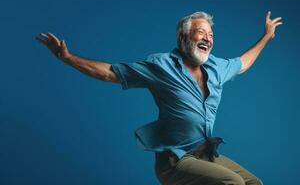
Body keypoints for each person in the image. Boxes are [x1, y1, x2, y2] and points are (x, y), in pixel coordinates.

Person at [35, 11, 282, 185]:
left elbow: (243, 63)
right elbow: (110, 73)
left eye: (211, 34)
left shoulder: (217, 67)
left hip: (206, 156)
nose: (207, 38)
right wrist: (69, 58)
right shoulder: (161, 66)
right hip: (176, 160)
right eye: (200, 33)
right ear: (183, 38)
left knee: (252, 182)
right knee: (233, 182)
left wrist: (267, 36)